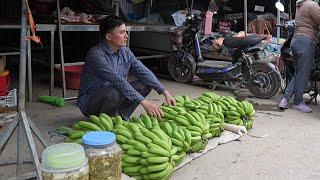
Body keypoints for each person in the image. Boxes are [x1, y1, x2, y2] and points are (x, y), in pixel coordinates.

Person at [77, 16, 176, 119]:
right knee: (114, 93)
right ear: (109, 36)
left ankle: (121, 116)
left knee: (145, 83)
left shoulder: (125, 51)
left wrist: (164, 91)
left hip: (114, 92)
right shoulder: (97, 55)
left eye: (126, 32)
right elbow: (118, 81)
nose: (126, 36)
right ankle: (105, 121)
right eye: (121, 33)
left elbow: (142, 71)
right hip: (90, 102)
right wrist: (144, 102)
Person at [278, 0, 320, 113]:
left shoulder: (300, 6)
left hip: (296, 41)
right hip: (306, 41)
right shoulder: (312, 5)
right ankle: (298, 102)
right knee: (303, 74)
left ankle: (285, 99)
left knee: (298, 73)